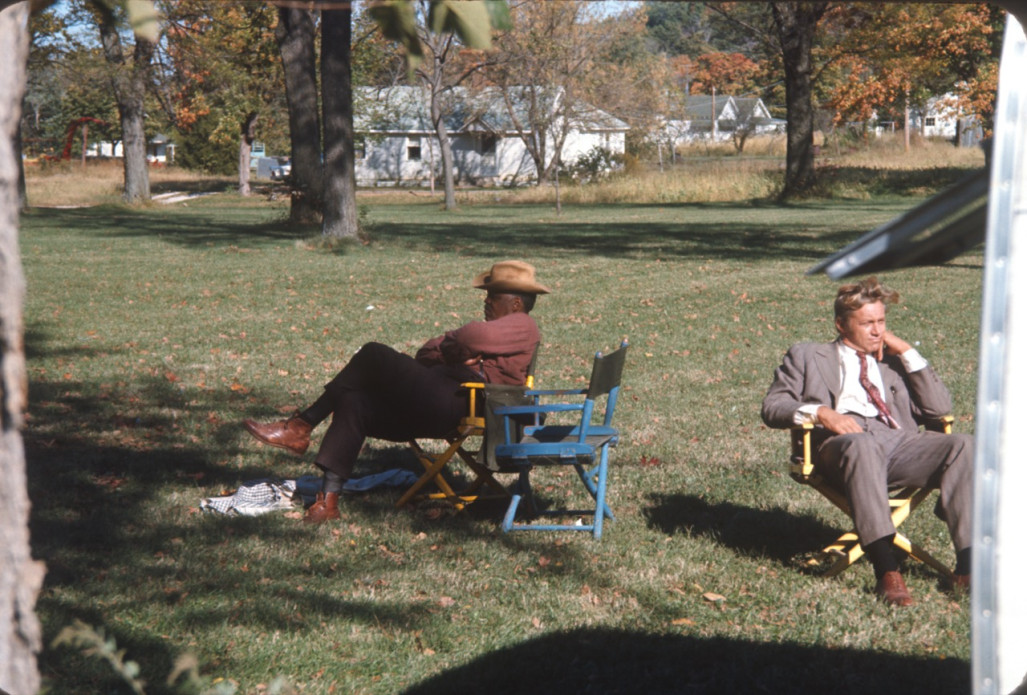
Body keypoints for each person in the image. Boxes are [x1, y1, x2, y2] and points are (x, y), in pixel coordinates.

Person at [243, 260, 550, 523]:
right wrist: (454, 351)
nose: (486, 301)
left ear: (516, 303)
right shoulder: (498, 330)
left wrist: (458, 345)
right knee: (354, 400)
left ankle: (302, 426)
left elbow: (468, 335)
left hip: (458, 404)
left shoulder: (523, 325)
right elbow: (426, 352)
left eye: (493, 296)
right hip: (435, 399)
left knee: (374, 354)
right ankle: (328, 501)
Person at [761, 277, 972, 606]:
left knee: (964, 445)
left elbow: (939, 409)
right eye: (867, 323)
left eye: (881, 322)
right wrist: (821, 413)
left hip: (897, 442)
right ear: (841, 324)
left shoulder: (893, 362)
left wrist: (906, 351)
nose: (877, 331)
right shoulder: (807, 355)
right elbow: (773, 407)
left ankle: (968, 567)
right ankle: (887, 570)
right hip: (839, 446)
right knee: (862, 445)